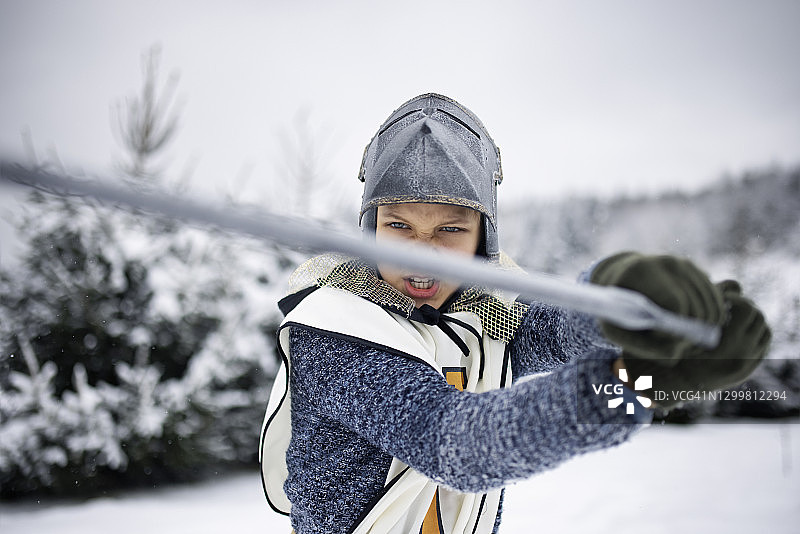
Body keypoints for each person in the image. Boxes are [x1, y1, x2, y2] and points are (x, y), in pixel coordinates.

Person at [259, 93, 770, 534]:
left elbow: (566, 331)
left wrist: (620, 296)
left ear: (485, 237)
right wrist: (629, 383)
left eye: (450, 230)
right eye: (400, 227)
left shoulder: (483, 319)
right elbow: (454, 442)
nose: (423, 253)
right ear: (371, 228)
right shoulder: (335, 332)